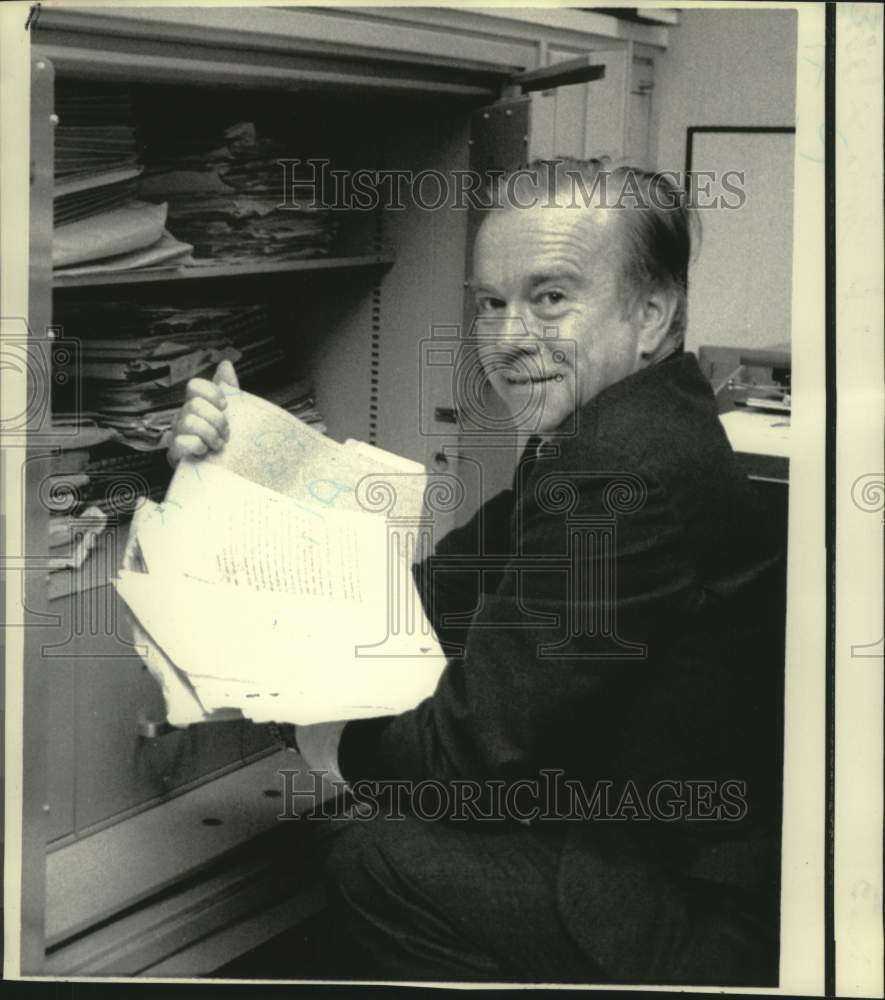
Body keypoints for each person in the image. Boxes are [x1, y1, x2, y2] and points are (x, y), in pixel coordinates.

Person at [167, 160, 786, 986]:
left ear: (651, 313)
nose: (508, 337)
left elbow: (464, 756)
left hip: (685, 900)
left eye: (550, 297)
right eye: (490, 303)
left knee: (375, 861)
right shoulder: (625, 423)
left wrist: (302, 726)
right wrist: (247, 464)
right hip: (647, 832)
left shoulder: (616, 465)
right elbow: (427, 599)